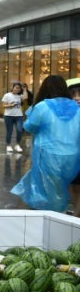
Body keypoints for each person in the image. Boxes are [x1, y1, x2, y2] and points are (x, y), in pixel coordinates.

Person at [11, 75, 80, 212]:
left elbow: (29, 127)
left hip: (49, 155)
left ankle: (53, 216)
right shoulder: (75, 107)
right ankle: (63, 213)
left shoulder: (42, 106)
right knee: (63, 187)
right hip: (72, 157)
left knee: (50, 190)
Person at [1, 82, 26, 153]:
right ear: (12, 87)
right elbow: (3, 105)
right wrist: (10, 105)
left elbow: (26, 97)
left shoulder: (20, 96)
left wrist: (24, 90)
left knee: (19, 130)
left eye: (19, 88)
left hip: (19, 116)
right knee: (9, 131)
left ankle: (17, 145)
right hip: (9, 115)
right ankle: (8, 145)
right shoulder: (7, 95)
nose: (17, 89)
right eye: (16, 87)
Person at [69, 83, 80, 215]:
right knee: (71, 185)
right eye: (73, 95)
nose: (77, 98)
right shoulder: (67, 114)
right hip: (70, 155)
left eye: (79, 94)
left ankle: (76, 216)